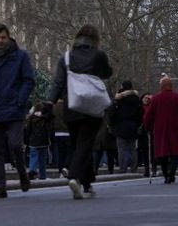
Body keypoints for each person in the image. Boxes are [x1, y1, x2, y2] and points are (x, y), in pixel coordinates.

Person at [45, 24, 113, 199]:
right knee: (85, 143)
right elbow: (107, 73)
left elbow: (58, 83)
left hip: (72, 104)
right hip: (92, 105)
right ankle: (74, 176)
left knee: (78, 144)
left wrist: (49, 102)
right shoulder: (99, 56)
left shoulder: (66, 57)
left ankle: (88, 182)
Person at [0, 23, 35, 198]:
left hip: (13, 108)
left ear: (8, 37)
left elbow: (28, 80)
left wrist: (20, 100)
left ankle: (22, 173)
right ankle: (0, 186)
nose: (0, 41)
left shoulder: (20, 57)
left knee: (15, 145)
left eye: (3, 37)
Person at [144, 74, 178, 184]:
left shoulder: (156, 99)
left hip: (160, 129)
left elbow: (149, 115)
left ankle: (166, 174)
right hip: (175, 128)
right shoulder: (177, 97)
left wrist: (147, 126)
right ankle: (172, 173)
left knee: (162, 152)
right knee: (176, 152)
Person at [110, 80, 143, 174]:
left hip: (121, 125)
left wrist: (113, 124)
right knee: (132, 148)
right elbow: (140, 113)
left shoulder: (119, 99)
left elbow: (112, 113)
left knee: (121, 149)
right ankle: (134, 168)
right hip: (133, 126)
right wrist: (137, 124)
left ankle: (123, 168)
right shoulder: (136, 99)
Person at [26, 102, 52, 180]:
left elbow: (28, 130)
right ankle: (42, 175)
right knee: (42, 159)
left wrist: (28, 140)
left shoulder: (31, 118)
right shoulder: (45, 118)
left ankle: (32, 170)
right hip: (43, 141)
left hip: (33, 141)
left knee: (33, 157)